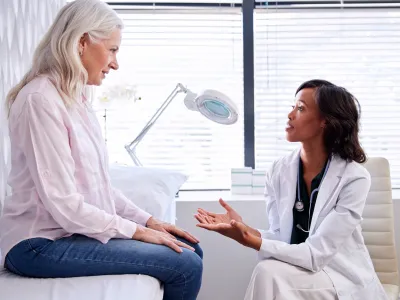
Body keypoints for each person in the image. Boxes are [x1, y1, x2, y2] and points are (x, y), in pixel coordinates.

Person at [0, 1, 203, 299]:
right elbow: (65, 204)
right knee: (185, 265)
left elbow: (99, 187)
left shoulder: (77, 99)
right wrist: (137, 232)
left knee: (190, 248)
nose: (115, 63)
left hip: (65, 234)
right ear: (81, 42)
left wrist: (149, 221)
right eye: (112, 50)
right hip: (36, 244)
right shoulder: (40, 100)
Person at [195, 79, 388, 300]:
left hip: (338, 276)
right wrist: (243, 229)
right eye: (292, 107)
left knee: (268, 273)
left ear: (325, 121)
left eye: (301, 108)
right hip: (297, 271)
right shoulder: (278, 170)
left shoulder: (354, 178)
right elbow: (281, 237)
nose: (290, 115)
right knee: (268, 272)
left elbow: (316, 255)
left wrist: (247, 239)